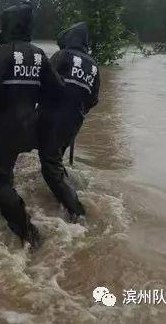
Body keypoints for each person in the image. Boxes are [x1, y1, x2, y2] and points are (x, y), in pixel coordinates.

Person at [0, 3, 64, 248]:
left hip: (0, 128)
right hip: (26, 128)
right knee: (4, 172)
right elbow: (57, 90)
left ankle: (29, 232)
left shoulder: (2, 53)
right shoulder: (38, 54)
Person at [38, 22, 100, 221]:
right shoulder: (94, 66)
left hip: (54, 116)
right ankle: (68, 191)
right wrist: (77, 113)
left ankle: (77, 212)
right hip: (74, 121)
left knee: (49, 165)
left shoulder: (62, 56)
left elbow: (45, 81)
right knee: (55, 159)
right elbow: (93, 100)